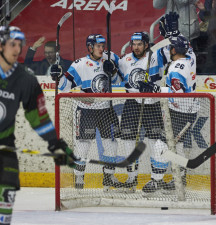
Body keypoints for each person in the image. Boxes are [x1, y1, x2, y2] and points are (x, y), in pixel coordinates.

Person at [0, 26, 76, 225]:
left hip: (5, 146)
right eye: (11, 44)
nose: (16, 49)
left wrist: (55, 143)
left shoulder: (25, 79)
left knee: (6, 196)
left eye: (19, 45)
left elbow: (38, 118)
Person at [50, 34, 122, 191]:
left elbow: (119, 81)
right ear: (90, 47)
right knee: (82, 146)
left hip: (106, 109)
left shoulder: (110, 59)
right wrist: (58, 76)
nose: (102, 49)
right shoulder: (79, 64)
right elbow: (64, 87)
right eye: (98, 46)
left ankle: (108, 181)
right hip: (87, 110)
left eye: (103, 46)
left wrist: (114, 72)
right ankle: (79, 181)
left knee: (111, 144)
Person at [138, 34, 198, 192]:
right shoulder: (190, 58)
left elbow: (178, 95)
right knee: (176, 147)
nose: (168, 49)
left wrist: (155, 89)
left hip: (182, 112)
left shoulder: (177, 69)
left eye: (170, 47)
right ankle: (181, 177)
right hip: (184, 111)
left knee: (160, 146)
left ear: (174, 49)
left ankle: (155, 181)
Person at [117, 31, 173, 193]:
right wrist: (111, 70)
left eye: (139, 44)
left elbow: (175, 53)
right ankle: (131, 179)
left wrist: (170, 34)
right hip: (132, 103)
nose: (136, 47)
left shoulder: (156, 56)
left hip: (152, 103)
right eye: (133, 44)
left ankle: (157, 180)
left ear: (146, 45)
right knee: (128, 140)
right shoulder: (125, 60)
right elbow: (115, 77)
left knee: (155, 142)